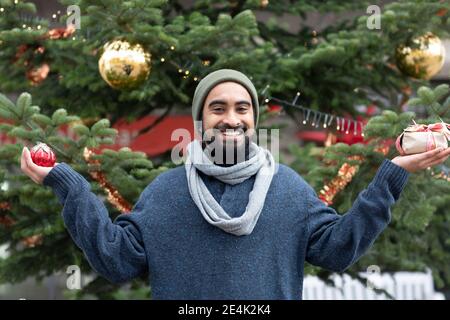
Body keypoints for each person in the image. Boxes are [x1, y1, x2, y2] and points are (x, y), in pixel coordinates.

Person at [21, 69, 450, 299]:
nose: (231, 117)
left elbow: (339, 249)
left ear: (253, 119)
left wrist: (394, 173)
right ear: (200, 120)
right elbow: (117, 261)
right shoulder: (167, 193)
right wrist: (68, 185)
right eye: (218, 108)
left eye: (242, 107)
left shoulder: (288, 189)